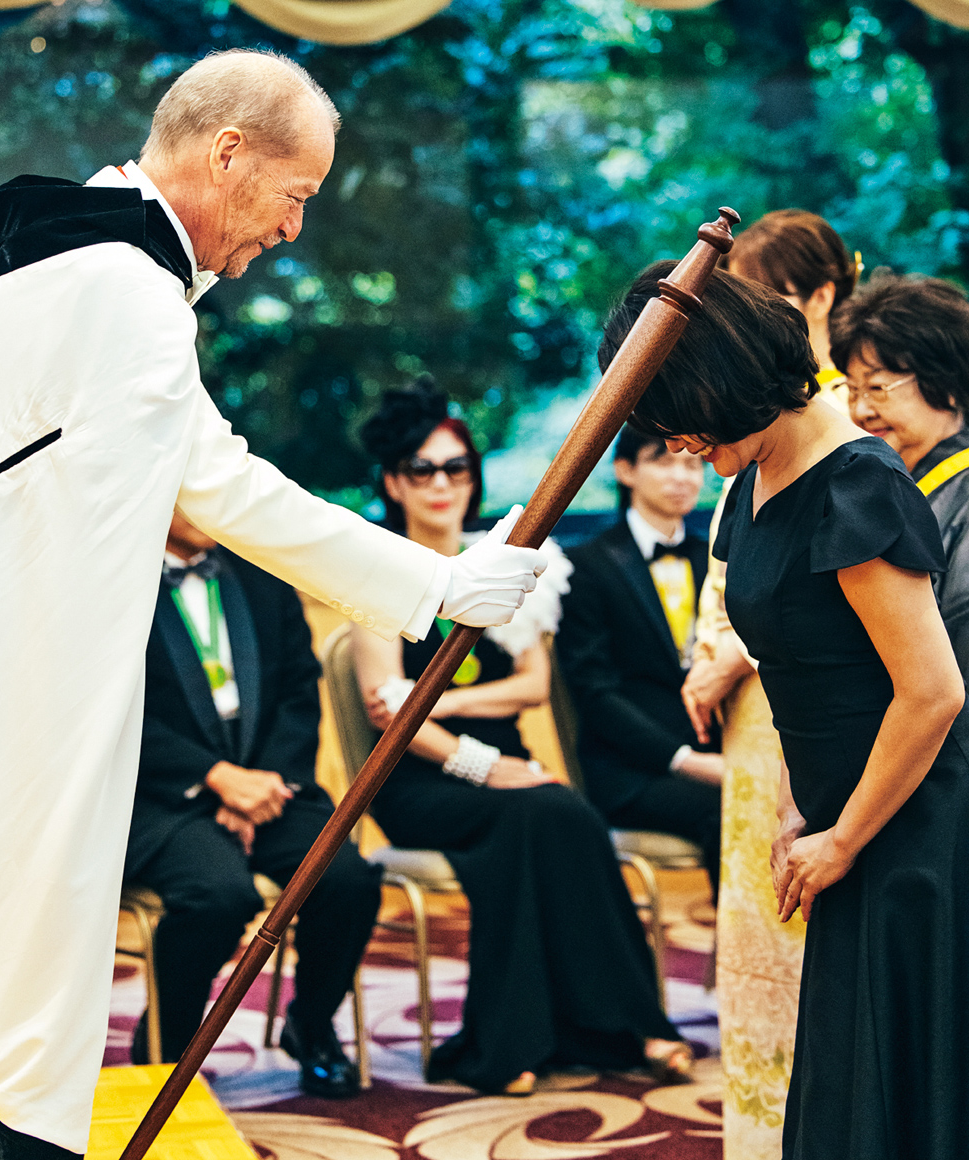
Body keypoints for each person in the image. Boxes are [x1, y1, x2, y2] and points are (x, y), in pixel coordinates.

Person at [0, 50, 546, 1160]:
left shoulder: (27, 282)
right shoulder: (122, 289)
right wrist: (436, 583)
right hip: (11, 730)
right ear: (228, 152)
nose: (292, 231)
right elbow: (225, 484)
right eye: (295, 197)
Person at [601, 262, 968, 1160]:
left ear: (723, 383)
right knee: (852, 1085)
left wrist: (842, 837)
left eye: (681, 421)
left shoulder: (856, 485)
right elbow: (818, 664)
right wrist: (810, 802)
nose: (680, 448)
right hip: (842, 815)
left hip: (910, 827)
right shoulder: (753, 477)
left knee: (905, 1081)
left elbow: (934, 692)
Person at [348, 378, 690, 1098]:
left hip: (503, 767)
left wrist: (436, 705)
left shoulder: (503, 560)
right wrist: (482, 763)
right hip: (421, 780)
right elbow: (389, 721)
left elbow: (531, 686)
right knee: (549, 810)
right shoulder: (377, 576)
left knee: (547, 817)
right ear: (392, 481)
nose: (442, 484)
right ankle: (616, 1027)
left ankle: (535, 1039)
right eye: (423, 469)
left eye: (456, 469)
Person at [680, 209, 857, 1160]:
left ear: (821, 295)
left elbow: (834, 570)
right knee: (751, 906)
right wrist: (708, 653)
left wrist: (732, 649)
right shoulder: (739, 403)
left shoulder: (842, 409)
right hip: (743, 699)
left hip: (789, 676)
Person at [126, 509, 381, 1096]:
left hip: (268, 784)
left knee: (346, 880)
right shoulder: (111, 578)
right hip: (164, 797)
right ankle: (166, 1052)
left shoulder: (264, 573)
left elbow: (298, 690)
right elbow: (113, 710)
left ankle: (311, 1026)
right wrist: (215, 778)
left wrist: (260, 784)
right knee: (218, 895)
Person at [557, 425, 722, 899]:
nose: (682, 476)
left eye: (693, 463)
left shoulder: (716, 559)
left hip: (713, 752)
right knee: (731, 808)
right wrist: (687, 761)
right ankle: (737, 959)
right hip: (629, 770)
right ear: (625, 470)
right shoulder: (587, 566)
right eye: (664, 461)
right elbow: (595, 692)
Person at [830, 273, 969, 672]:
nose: (861, 411)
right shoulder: (902, 486)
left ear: (947, 383)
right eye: (852, 390)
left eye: (877, 388)